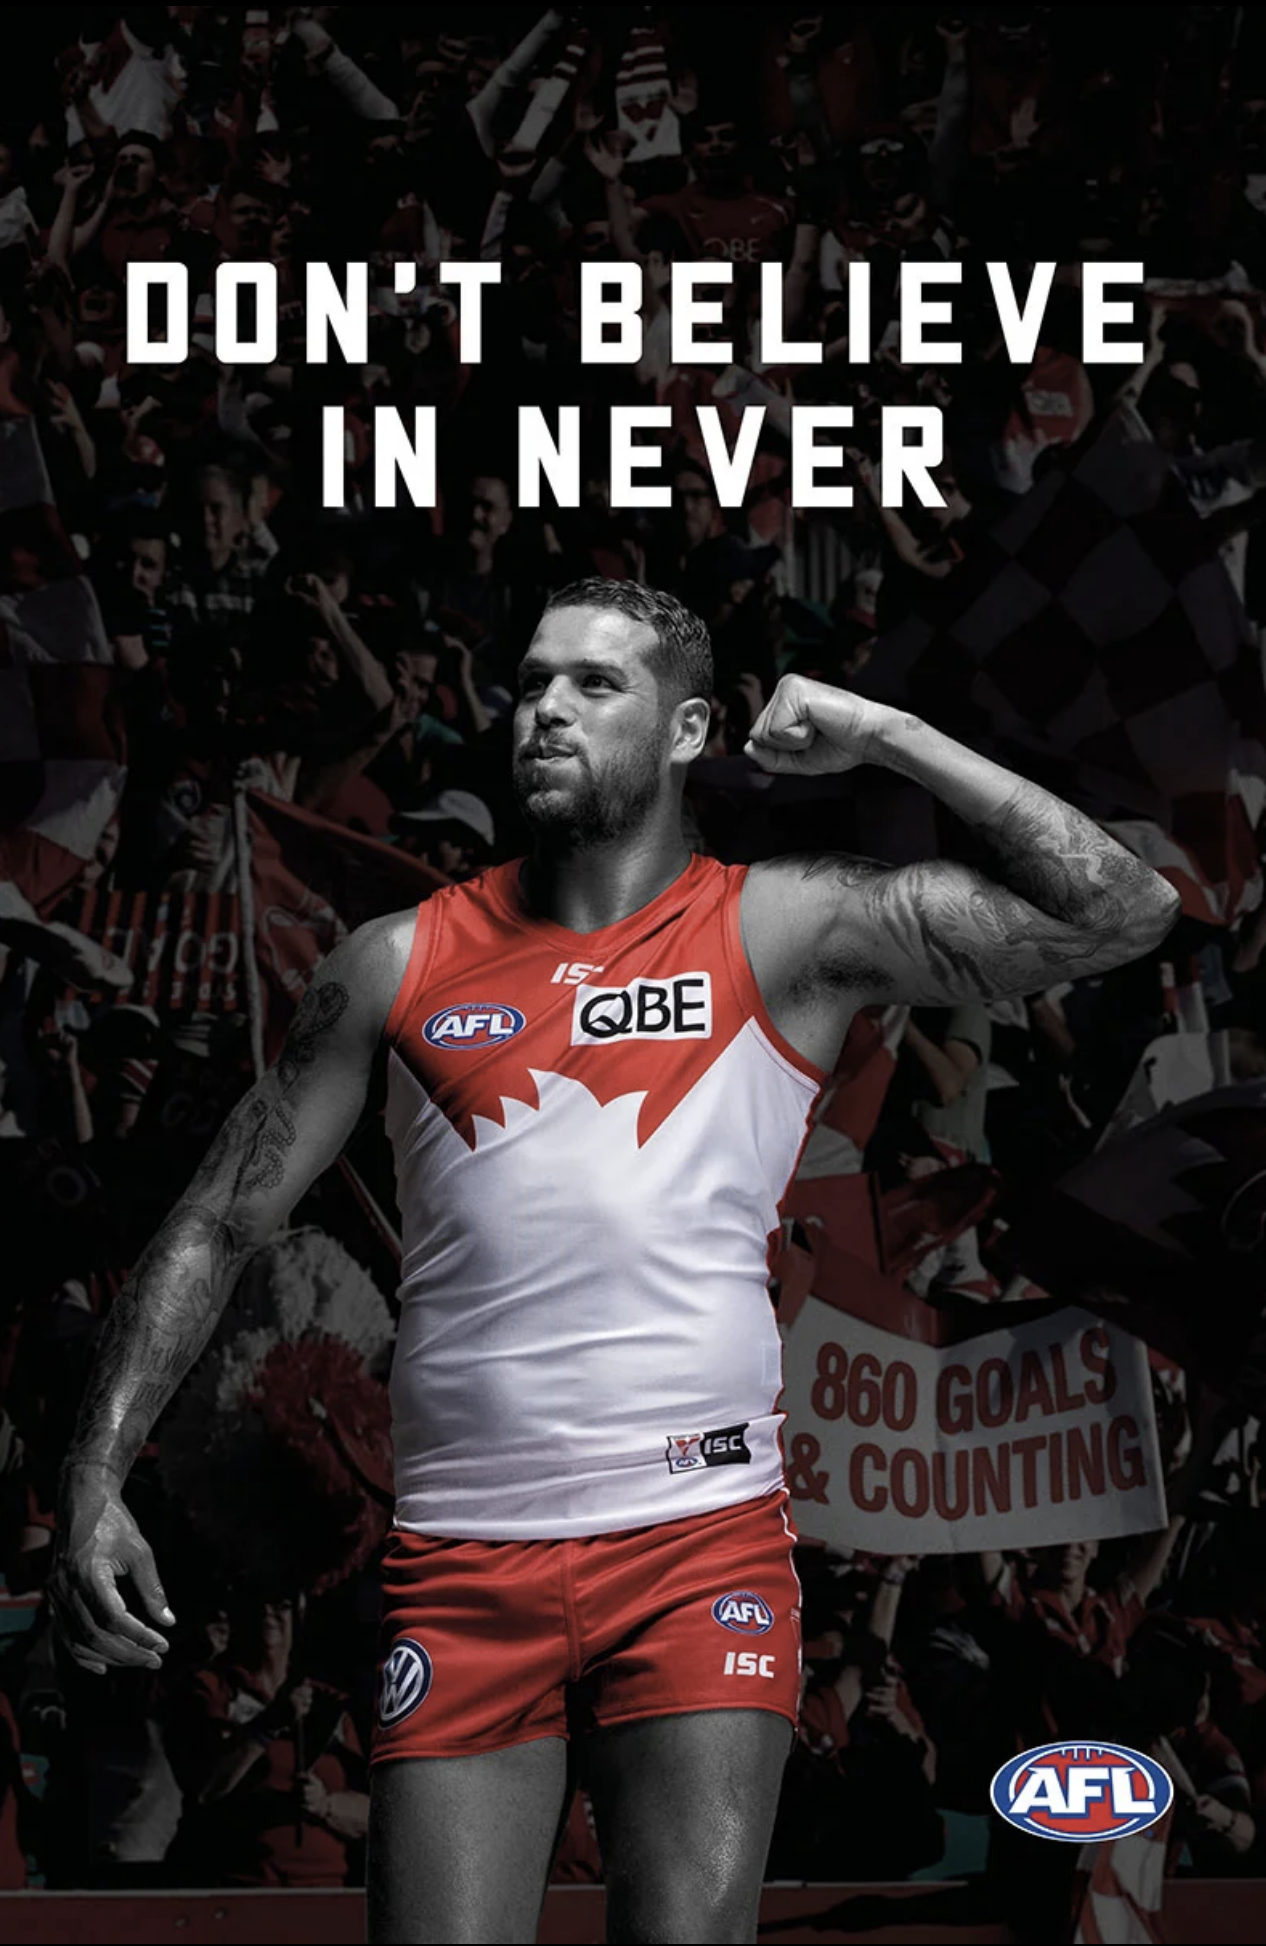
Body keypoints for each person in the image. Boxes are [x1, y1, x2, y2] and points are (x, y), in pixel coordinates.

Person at [48, 578, 1180, 1944]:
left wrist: (887, 734)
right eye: (532, 680)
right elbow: (217, 1221)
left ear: (693, 724)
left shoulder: (785, 925)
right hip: (466, 1557)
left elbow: (1121, 908)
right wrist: (99, 1470)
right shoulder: (393, 960)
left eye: (596, 684)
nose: (546, 709)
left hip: (698, 1550)